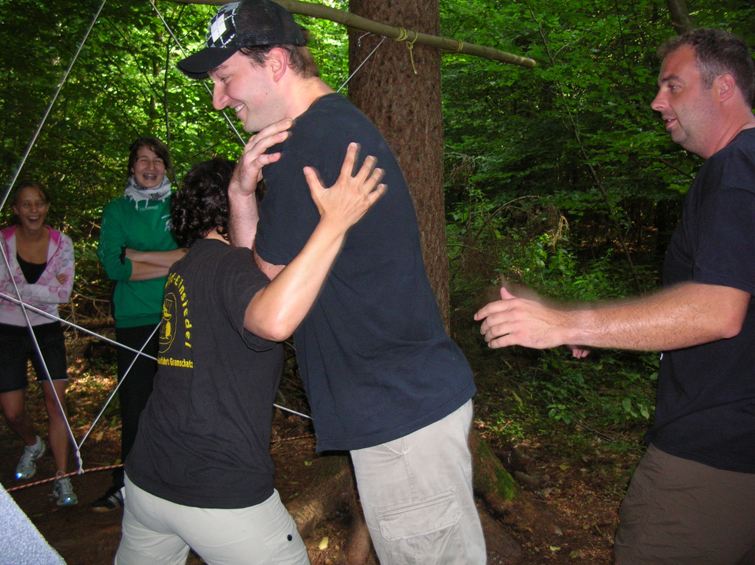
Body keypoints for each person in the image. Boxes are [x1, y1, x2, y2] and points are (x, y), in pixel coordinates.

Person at [176, 1, 484, 563]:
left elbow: (258, 294)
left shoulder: (310, 147)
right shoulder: (327, 130)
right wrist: (242, 191)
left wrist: (240, 198)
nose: (219, 99)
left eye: (225, 78)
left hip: (400, 417)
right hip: (402, 409)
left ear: (274, 63)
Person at [475, 28, 755, 565]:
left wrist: (565, 325)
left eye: (673, 86)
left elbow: (718, 312)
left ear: (723, 88)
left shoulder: (735, 169)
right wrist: (599, 327)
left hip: (712, 460)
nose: (657, 102)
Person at [115, 129, 386, 564]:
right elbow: (274, 321)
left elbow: (250, 264)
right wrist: (333, 223)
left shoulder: (187, 267)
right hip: (219, 492)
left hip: (148, 481)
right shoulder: (227, 266)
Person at [94, 137, 185, 511]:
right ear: (132, 167)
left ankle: (178, 480)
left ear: (166, 166)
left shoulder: (180, 205)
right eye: (143, 160)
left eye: (157, 160)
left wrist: (136, 254)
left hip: (179, 313)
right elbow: (114, 266)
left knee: (181, 400)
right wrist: (171, 259)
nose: (150, 167)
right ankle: (128, 484)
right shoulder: (116, 209)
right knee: (135, 406)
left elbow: (193, 255)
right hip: (133, 318)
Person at [0, 180, 77, 507]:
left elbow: (63, 293)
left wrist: (15, 290)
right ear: (16, 209)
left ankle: (62, 477)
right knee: (12, 411)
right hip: (8, 331)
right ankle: (33, 444)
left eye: (39, 203)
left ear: (46, 207)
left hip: (48, 329)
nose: (33, 210)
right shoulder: (2, 242)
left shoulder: (62, 243)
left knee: (56, 404)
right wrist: (43, 291)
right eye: (26, 204)